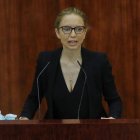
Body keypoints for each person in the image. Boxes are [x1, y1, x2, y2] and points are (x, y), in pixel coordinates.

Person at [19, 7, 122, 120]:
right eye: (66, 29)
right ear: (57, 32)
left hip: (93, 131)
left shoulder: (99, 61)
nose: (73, 35)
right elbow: (34, 98)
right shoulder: (46, 61)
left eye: (78, 29)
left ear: (85, 32)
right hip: (54, 131)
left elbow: (114, 100)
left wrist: (113, 118)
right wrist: (24, 117)